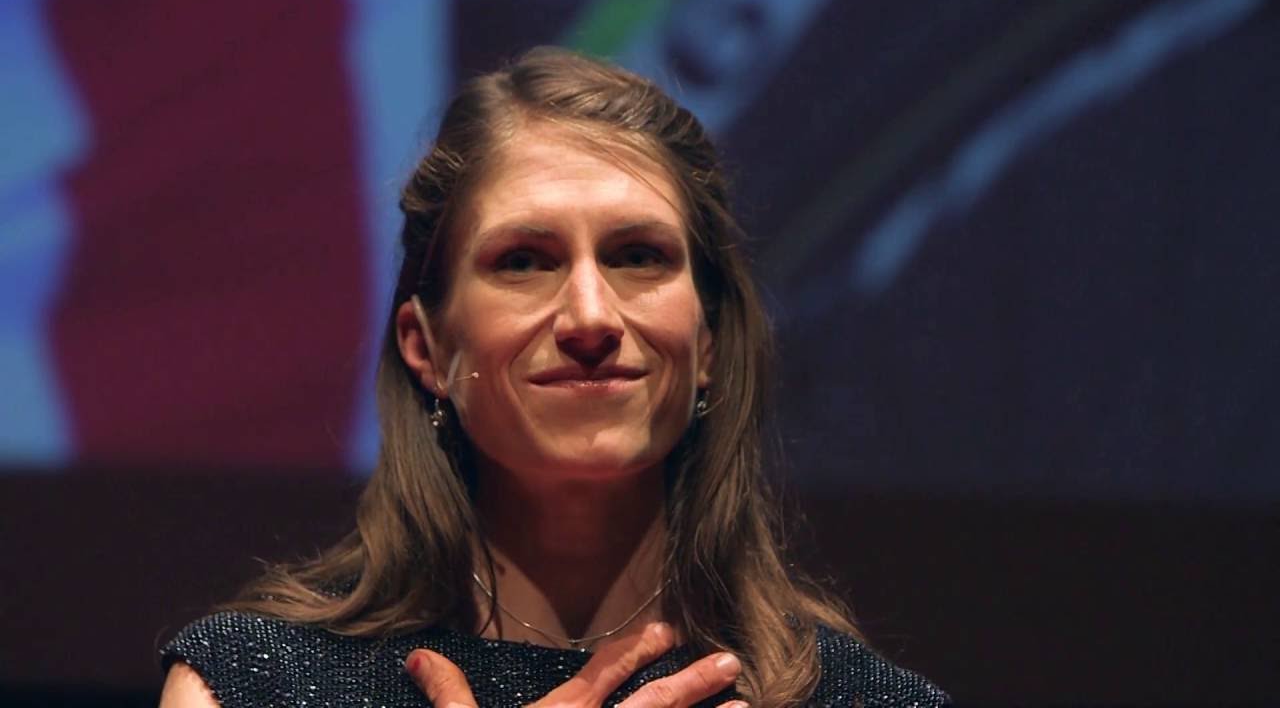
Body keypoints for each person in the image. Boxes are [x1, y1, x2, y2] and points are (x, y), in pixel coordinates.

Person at [158, 47, 949, 708]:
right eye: (524, 262)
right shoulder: (246, 687)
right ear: (426, 348)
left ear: (707, 341)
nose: (591, 318)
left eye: (638, 256)